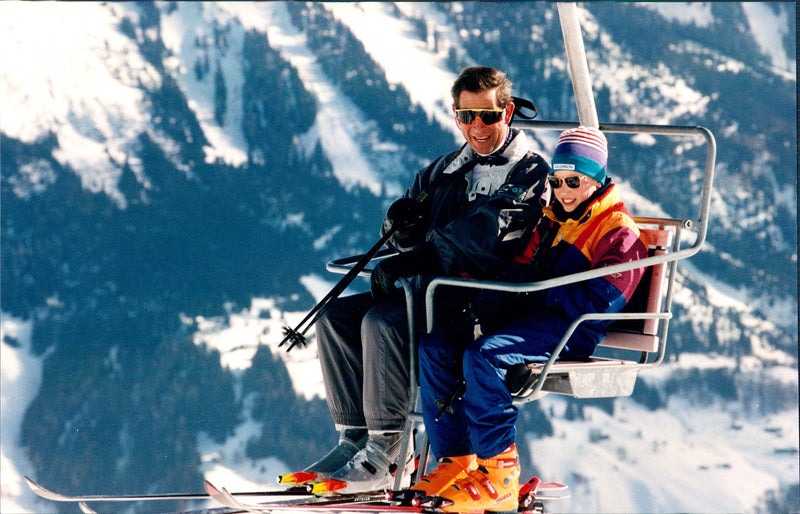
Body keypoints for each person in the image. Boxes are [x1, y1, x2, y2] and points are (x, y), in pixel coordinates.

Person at [279, 67, 551, 493]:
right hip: (430, 290)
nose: (476, 127)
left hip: (481, 299)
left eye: (488, 117)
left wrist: (424, 254)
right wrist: (402, 226)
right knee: (336, 318)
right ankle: (354, 439)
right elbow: (410, 225)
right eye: (466, 116)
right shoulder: (445, 170)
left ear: (508, 113)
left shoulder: (529, 173)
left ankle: (386, 454)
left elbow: (492, 237)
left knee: (383, 323)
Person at [412, 126, 648, 512]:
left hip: (571, 329)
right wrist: (489, 303)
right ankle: (456, 460)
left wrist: (541, 289)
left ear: (597, 178)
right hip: (531, 318)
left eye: (575, 181)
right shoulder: (552, 218)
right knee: (437, 347)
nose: (564, 190)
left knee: (484, 356)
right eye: (556, 181)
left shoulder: (617, 233)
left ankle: (500, 473)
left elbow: (602, 300)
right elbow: (521, 269)